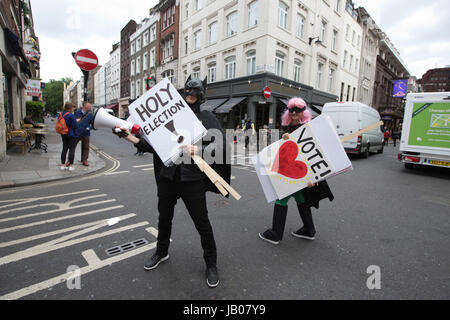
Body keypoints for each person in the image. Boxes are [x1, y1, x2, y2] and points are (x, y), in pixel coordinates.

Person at [114, 76, 231, 288]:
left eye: (195, 93)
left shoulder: (207, 117)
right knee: (164, 219)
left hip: (192, 179)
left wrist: (200, 149)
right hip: (168, 177)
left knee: (202, 223)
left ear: (201, 95)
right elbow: (155, 146)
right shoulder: (171, 113)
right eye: (188, 92)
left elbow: (221, 147)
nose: (191, 96)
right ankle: (161, 251)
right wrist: (132, 139)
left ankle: (211, 264)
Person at [259, 97, 334, 245]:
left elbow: (314, 153)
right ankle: (309, 230)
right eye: (291, 110)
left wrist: (316, 178)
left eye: (297, 110)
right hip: (293, 172)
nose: (294, 113)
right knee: (300, 198)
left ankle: (276, 233)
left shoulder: (307, 128)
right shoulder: (291, 128)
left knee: (281, 198)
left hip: (302, 173)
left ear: (303, 112)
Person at [58, 102, 79, 171]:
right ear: (70, 108)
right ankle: (71, 166)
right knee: (72, 149)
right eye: (73, 108)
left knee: (64, 149)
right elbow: (75, 126)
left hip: (63, 133)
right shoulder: (71, 115)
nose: (73, 109)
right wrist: (77, 121)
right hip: (71, 134)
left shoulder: (61, 114)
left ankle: (63, 165)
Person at [74, 102, 94, 166]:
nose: (90, 107)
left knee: (86, 147)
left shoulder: (90, 114)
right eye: (89, 106)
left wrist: (89, 128)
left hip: (86, 133)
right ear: (85, 106)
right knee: (73, 146)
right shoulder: (77, 112)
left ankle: (84, 160)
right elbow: (73, 121)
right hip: (77, 132)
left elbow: (92, 124)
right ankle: (70, 160)